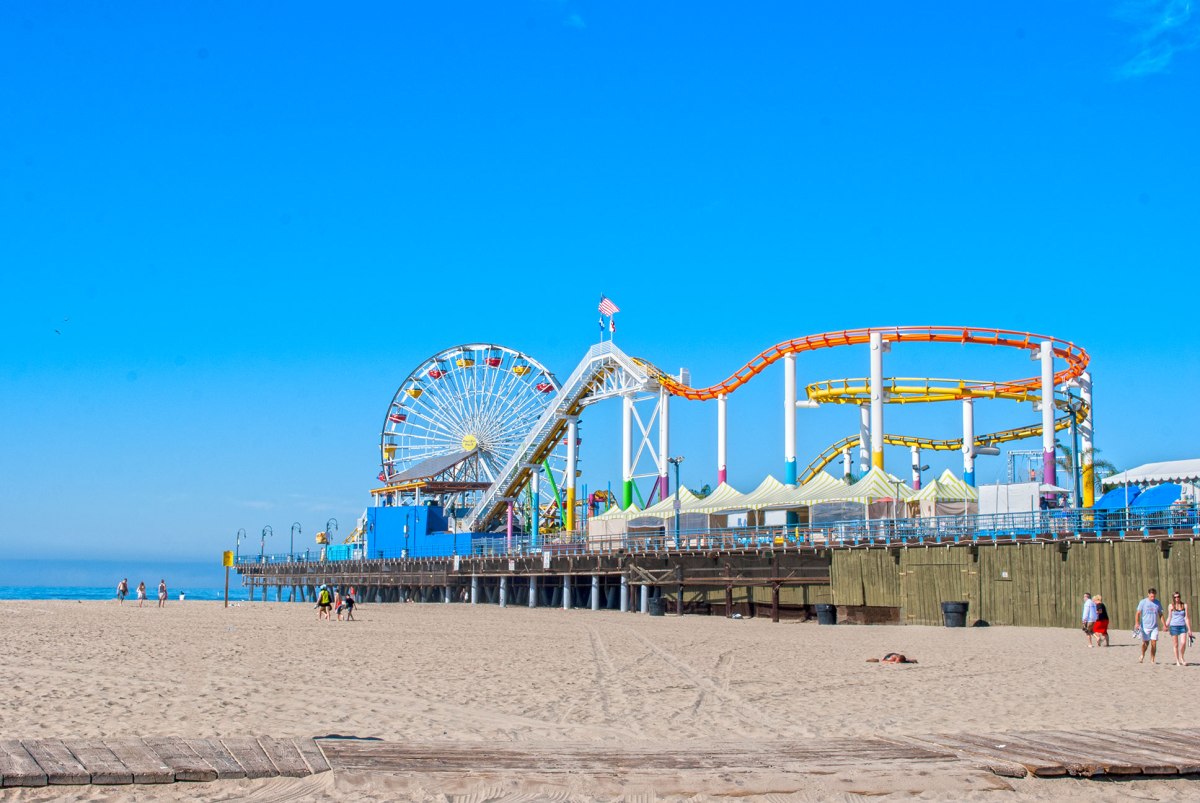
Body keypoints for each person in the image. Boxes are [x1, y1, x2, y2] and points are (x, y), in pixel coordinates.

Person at [1136, 587, 1165, 664]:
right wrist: (1137, 623)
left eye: (1154, 596)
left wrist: (1164, 625)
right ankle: (1142, 655)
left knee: (1154, 643)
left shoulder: (1157, 603)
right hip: (1145, 626)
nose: (1153, 598)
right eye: (1151, 596)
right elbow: (1138, 613)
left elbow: (1160, 614)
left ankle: (1152, 659)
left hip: (1154, 627)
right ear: (1148, 594)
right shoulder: (1143, 602)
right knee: (1146, 643)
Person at [1166, 592, 1192, 666]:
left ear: (1180, 597)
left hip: (1182, 626)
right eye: (1175, 597)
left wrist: (1189, 629)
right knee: (1176, 645)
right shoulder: (1171, 606)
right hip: (1173, 626)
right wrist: (1166, 625)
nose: (1177, 598)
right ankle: (1177, 660)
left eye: (1178, 597)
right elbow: (1169, 617)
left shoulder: (1184, 605)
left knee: (1183, 643)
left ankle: (1182, 657)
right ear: (1173, 598)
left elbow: (1186, 618)